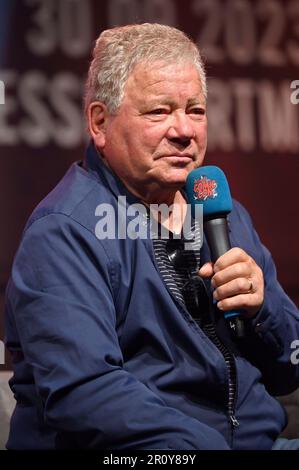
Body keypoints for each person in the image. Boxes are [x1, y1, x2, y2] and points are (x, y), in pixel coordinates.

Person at [4, 23, 299, 450]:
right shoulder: (64, 232)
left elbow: (290, 368)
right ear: (100, 123)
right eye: (159, 112)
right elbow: (86, 395)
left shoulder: (226, 214)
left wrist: (263, 309)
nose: (184, 131)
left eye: (195, 111)